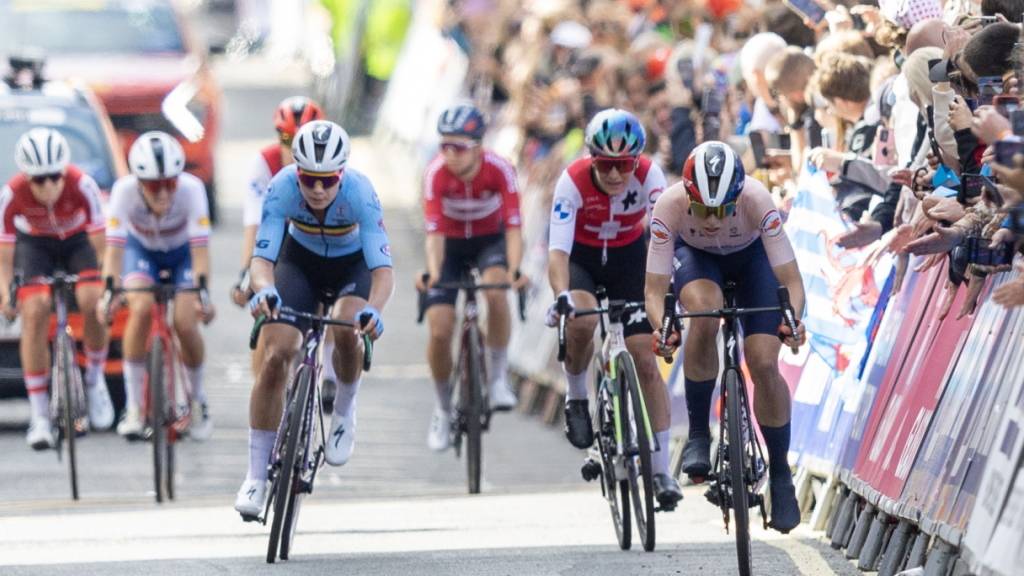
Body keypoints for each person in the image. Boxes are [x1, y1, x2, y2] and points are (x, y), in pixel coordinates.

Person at [643, 141, 808, 533]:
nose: (713, 221)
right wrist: (662, 327)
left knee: (764, 362)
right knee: (703, 311)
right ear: (687, 196)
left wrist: (794, 321)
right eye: (702, 210)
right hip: (697, 260)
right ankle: (700, 434)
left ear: (737, 197)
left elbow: (791, 281)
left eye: (722, 209)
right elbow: (654, 291)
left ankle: (781, 475)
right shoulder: (668, 206)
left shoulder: (756, 199)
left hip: (753, 262)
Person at [234, 120, 394, 519]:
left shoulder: (361, 193)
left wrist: (374, 309)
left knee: (345, 324)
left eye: (328, 180)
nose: (318, 189)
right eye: (309, 179)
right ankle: (255, 475)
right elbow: (263, 259)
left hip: (350, 267)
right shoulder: (282, 187)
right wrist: (264, 288)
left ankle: (344, 409)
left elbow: (383, 272)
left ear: (342, 173)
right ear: (297, 172)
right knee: (277, 353)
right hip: (299, 263)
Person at [544, 108, 683, 509]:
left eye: (624, 165)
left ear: (636, 160)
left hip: (628, 260)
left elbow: (663, 237)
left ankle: (660, 472)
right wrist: (562, 296)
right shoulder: (571, 181)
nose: (616, 175)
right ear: (592, 159)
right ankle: (577, 398)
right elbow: (558, 252)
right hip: (582, 262)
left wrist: (668, 291)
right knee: (583, 321)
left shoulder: (651, 176)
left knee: (644, 359)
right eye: (606, 166)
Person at [418, 103, 526, 452]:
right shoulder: (435, 173)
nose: (450, 154)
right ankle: (441, 408)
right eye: (444, 145)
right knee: (439, 327)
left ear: (478, 146)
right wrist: (435, 274)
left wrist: (514, 270)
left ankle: (496, 378)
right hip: (449, 245)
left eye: (459, 147)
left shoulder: (500, 169)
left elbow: (513, 227)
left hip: (487, 241)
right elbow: (433, 234)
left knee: (496, 291)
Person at [98, 131, 216, 442]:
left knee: (185, 322)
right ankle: (135, 407)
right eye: (154, 185)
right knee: (140, 307)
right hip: (143, 252)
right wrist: (110, 292)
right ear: (138, 182)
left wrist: (203, 294)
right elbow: (114, 251)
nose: (163, 193)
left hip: (182, 256)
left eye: (170, 184)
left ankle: (197, 399)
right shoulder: (123, 192)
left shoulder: (192, 190)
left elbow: (201, 253)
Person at [0, 128, 112, 449]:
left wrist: (106, 285)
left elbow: (102, 248)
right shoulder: (11, 195)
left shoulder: (83, 185)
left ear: (64, 172)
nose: (48, 186)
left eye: (54, 177)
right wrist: (7, 295)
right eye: (38, 180)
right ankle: (39, 417)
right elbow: (4, 259)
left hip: (78, 243)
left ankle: (94, 382)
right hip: (35, 246)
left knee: (91, 299)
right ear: (26, 176)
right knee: (34, 310)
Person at [229, 96, 342, 408]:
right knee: (266, 310)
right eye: (286, 139)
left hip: (319, 238)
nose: (292, 148)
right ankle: (265, 393)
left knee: (326, 294)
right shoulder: (264, 162)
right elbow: (254, 221)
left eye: (301, 138)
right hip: (277, 238)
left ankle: (328, 371)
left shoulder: (333, 161)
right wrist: (246, 272)